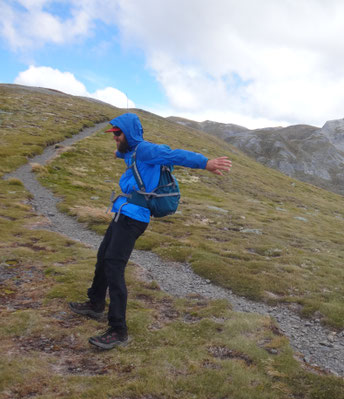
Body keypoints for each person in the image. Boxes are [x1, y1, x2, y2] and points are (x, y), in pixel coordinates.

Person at [69, 113, 232, 350]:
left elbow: (175, 155)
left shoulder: (146, 150)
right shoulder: (133, 151)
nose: (114, 138)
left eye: (118, 133)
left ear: (129, 133)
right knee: (103, 257)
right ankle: (95, 304)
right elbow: (126, 154)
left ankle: (118, 330)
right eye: (113, 134)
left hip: (133, 218)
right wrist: (118, 153)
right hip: (122, 212)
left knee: (114, 265)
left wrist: (205, 163)